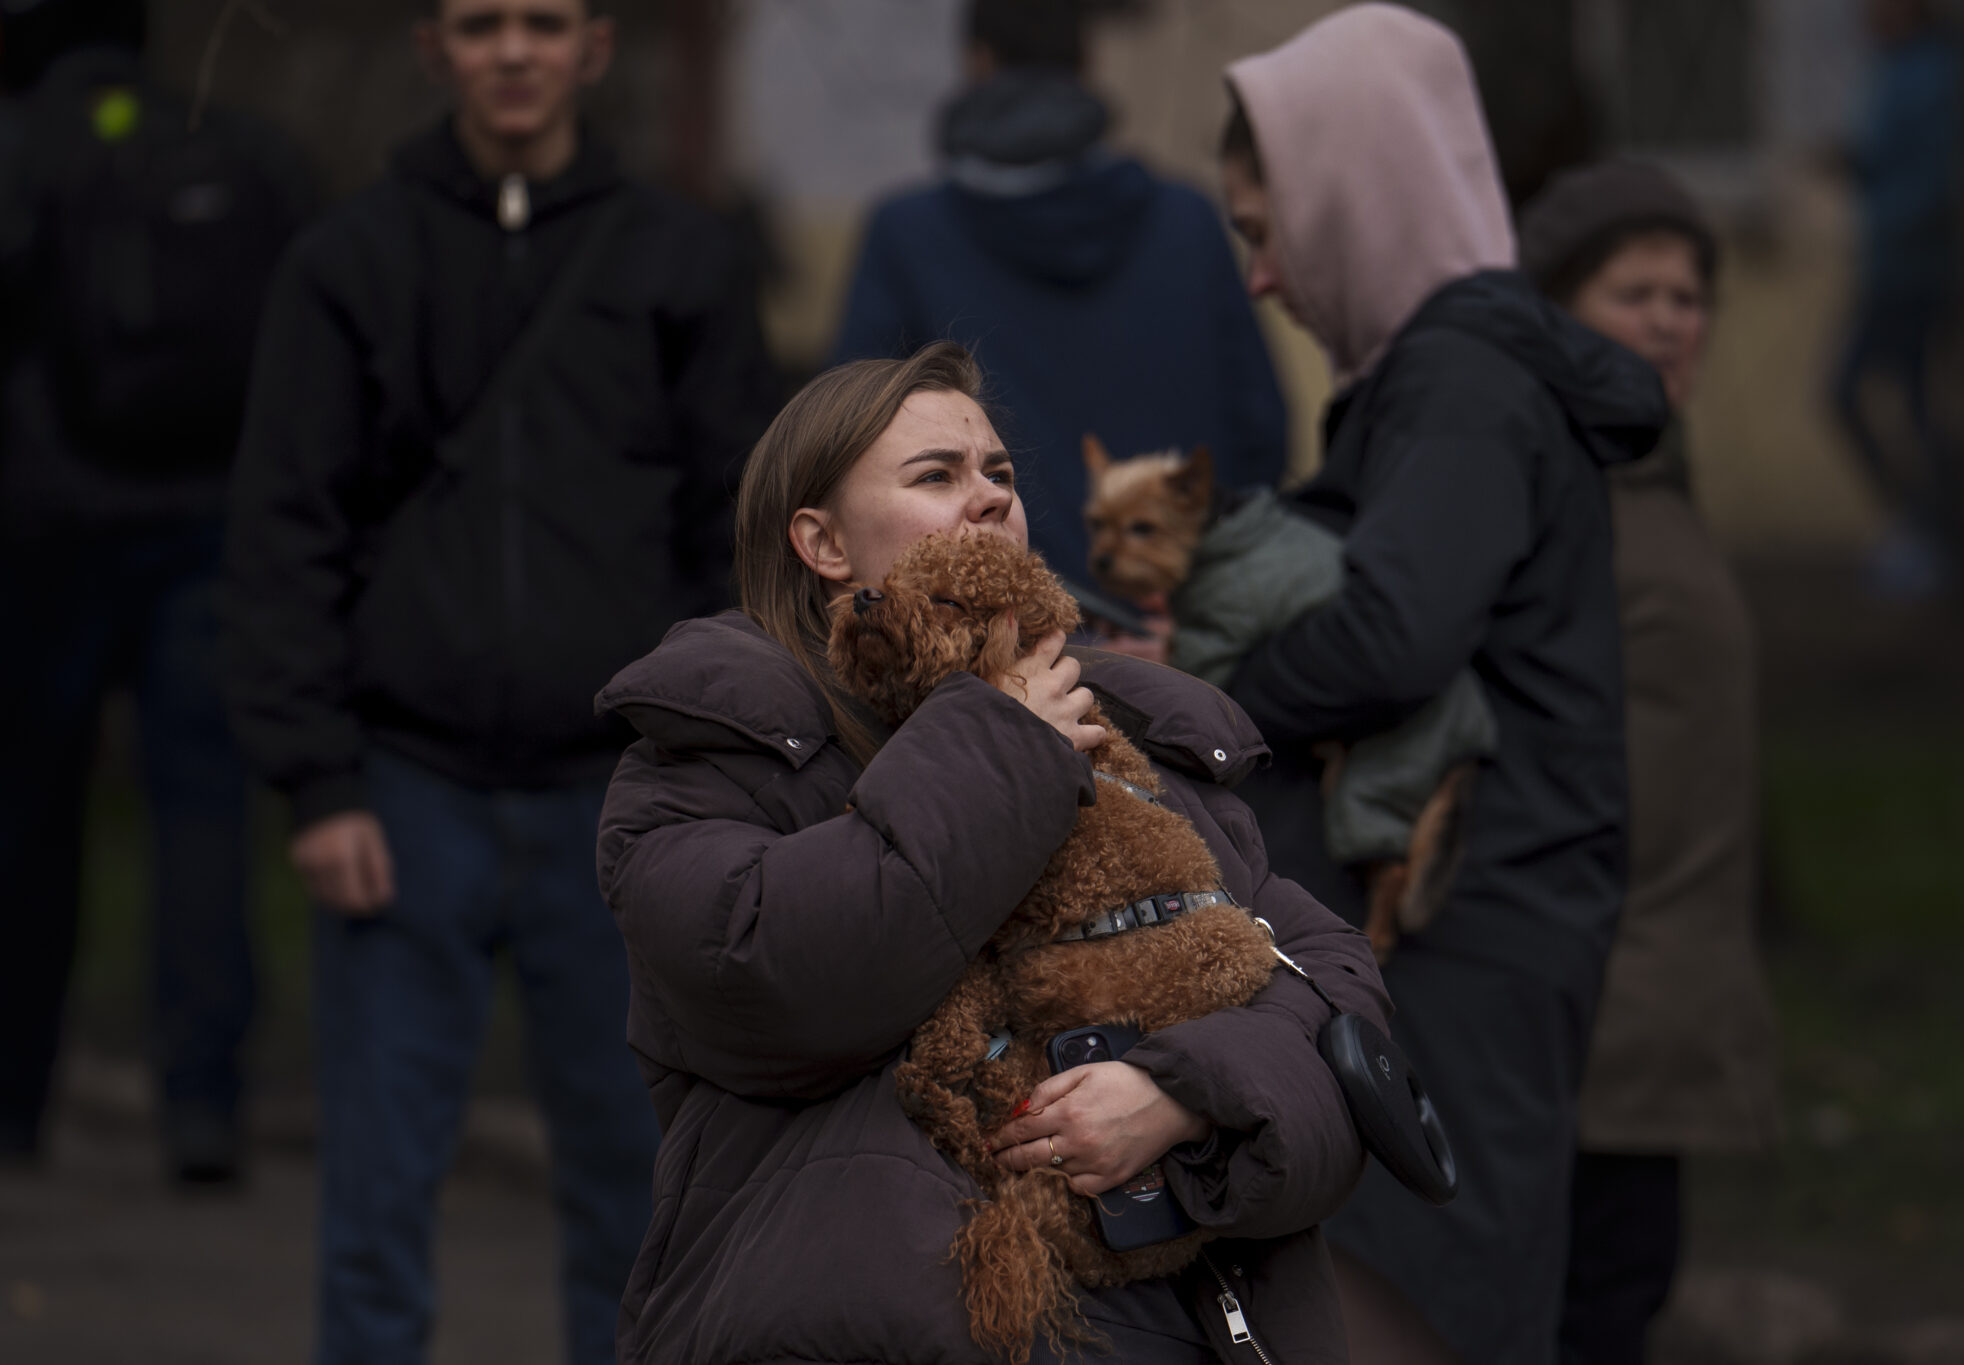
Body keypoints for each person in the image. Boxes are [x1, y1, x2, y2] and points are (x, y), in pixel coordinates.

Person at [594, 339, 1390, 1364]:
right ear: (822, 543)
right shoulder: (708, 759)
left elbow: (1330, 996)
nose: (989, 501)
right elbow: (780, 980)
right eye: (937, 475)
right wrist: (1003, 747)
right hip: (879, 1329)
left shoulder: (1134, 738)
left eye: (1001, 475)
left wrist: (1186, 1092)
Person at [217, 0, 777, 1360]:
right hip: (406, 795)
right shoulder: (350, 259)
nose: (512, 49)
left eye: (542, 20)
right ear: (435, 47)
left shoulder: (679, 260)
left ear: (592, 44)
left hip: (625, 802)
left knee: (642, 1197)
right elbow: (288, 527)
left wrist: (715, 766)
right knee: (377, 1190)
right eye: (480, 23)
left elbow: (740, 536)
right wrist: (316, 777)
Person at [1214, 7, 1668, 1362]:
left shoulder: (1460, 382)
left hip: (1466, 938)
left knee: (1429, 1315)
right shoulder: (1435, 375)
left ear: (1355, 191)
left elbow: (1395, 636)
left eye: (1262, 228)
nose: (1260, 278)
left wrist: (1206, 691)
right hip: (1456, 923)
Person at [0, 0, 312, 1180]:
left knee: (31, 823)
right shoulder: (243, 151)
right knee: (204, 818)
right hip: (207, 528)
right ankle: (201, 1105)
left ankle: (16, 1099)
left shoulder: (26, 150)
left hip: (44, 535)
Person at [1519, 159, 1780, 1365]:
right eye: (1635, 292)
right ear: (1556, 311)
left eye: (1689, 294)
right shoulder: (1551, 493)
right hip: (1578, 1018)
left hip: (1655, 1004)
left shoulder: (1654, 481)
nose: (1672, 318)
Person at [832, 0, 1287, 585]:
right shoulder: (1188, 222)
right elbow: (1261, 435)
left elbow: (850, 447)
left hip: (998, 630)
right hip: (1180, 628)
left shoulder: (907, 236)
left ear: (977, 61)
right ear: (1087, 61)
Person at [1833, 0, 1964, 599]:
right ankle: (1921, 528)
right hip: (1889, 266)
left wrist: (1893, 211)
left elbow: (1936, 182)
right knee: (1905, 403)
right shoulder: (1894, 72)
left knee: (1865, 395)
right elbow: (1892, 163)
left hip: (1915, 273)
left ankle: (1928, 529)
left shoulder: (1936, 74)